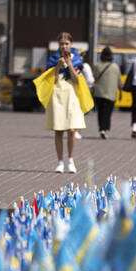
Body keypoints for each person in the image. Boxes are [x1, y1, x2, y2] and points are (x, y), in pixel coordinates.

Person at [44, 32, 86, 173]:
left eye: (66, 43)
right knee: (58, 130)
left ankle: (71, 160)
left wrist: (68, 64)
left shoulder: (77, 59)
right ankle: (60, 162)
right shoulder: (53, 59)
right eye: (62, 43)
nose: (64, 46)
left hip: (72, 95)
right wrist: (57, 67)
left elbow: (77, 79)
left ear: (71, 44)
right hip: (57, 95)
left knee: (72, 130)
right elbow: (51, 80)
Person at [92, 46, 122, 139]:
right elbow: (119, 81)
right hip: (111, 94)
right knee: (107, 113)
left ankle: (101, 129)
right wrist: (120, 92)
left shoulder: (97, 66)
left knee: (100, 112)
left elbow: (94, 77)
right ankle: (104, 129)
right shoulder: (115, 67)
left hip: (99, 93)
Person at [75, 51, 95, 139]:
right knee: (80, 111)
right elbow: (90, 79)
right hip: (84, 90)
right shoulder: (85, 66)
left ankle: (74, 130)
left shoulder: (72, 65)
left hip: (73, 90)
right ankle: (76, 131)